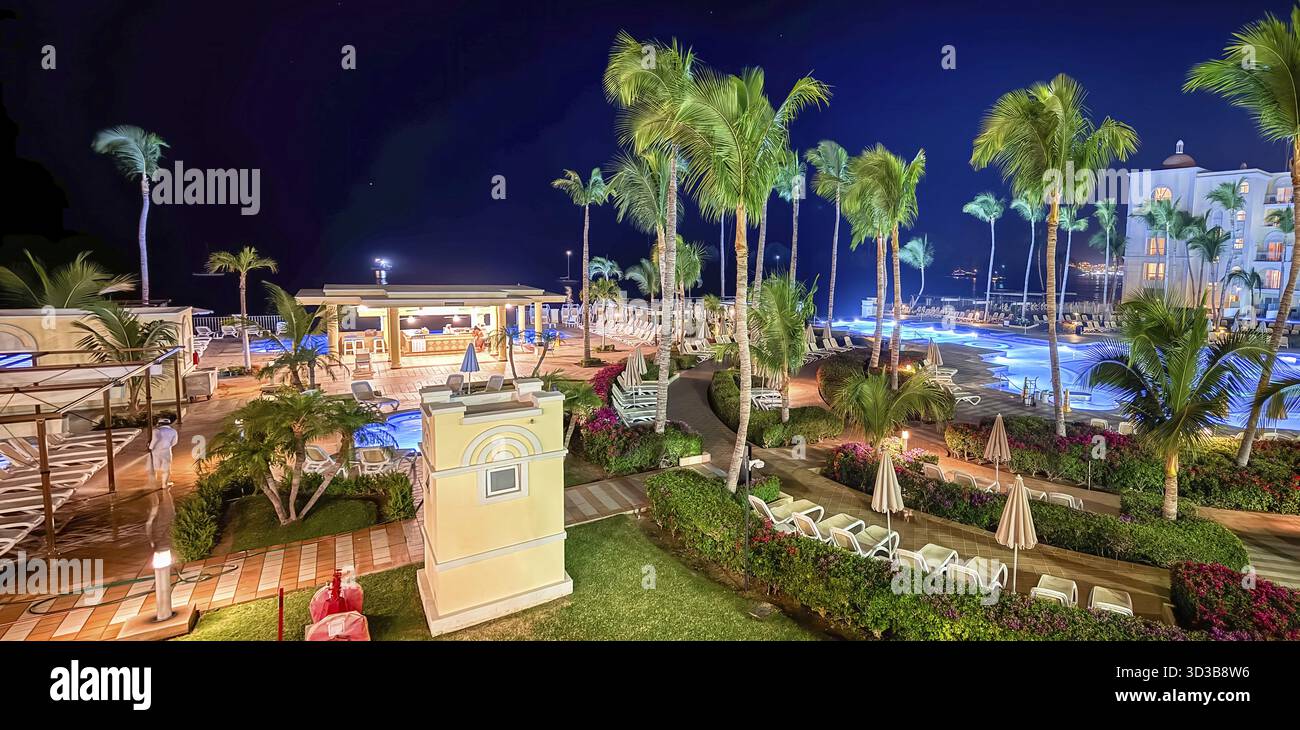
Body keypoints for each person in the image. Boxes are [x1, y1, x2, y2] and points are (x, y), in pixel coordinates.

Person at [148, 418, 179, 487]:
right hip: (167, 451)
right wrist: (168, 446)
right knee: (166, 469)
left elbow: (154, 440)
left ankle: (153, 484)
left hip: (156, 451)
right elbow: (175, 442)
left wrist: (150, 448)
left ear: (159, 424)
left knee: (154, 468)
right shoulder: (173, 431)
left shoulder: (156, 430)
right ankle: (164, 484)